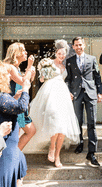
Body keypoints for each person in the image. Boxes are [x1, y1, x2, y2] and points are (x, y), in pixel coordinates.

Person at [24, 39, 80, 168]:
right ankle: (52, 148)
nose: (61, 56)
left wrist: (69, 92)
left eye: (63, 54)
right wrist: (43, 69)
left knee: (63, 125)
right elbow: (43, 79)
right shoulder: (49, 63)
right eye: (59, 53)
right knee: (55, 120)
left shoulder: (64, 67)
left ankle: (57, 155)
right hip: (50, 93)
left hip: (63, 94)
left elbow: (63, 81)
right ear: (55, 53)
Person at [65, 37, 102, 167]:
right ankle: (80, 143)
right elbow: (68, 78)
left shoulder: (92, 59)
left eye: (80, 44)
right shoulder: (69, 61)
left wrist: (100, 92)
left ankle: (92, 152)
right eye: (76, 45)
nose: (78, 47)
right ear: (73, 47)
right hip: (76, 94)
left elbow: (97, 76)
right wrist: (68, 91)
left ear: (84, 45)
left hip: (91, 93)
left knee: (92, 122)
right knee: (78, 121)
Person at [3, 42, 36, 150]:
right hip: (12, 104)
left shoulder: (16, 68)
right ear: (16, 53)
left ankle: (15, 155)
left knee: (30, 130)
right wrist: (29, 66)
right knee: (15, 135)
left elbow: (27, 82)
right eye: (23, 50)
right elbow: (23, 81)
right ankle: (12, 157)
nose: (26, 52)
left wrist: (31, 73)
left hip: (18, 103)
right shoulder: (10, 67)